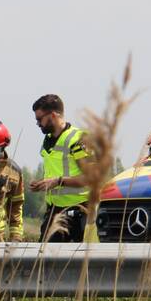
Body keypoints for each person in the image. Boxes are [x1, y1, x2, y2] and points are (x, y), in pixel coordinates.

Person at [28, 94, 90, 242]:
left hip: (79, 213)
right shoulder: (48, 140)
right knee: (44, 262)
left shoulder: (78, 139)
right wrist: (43, 184)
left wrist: (58, 181)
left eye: (40, 119)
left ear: (53, 115)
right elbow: (57, 172)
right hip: (54, 210)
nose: (38, 123)